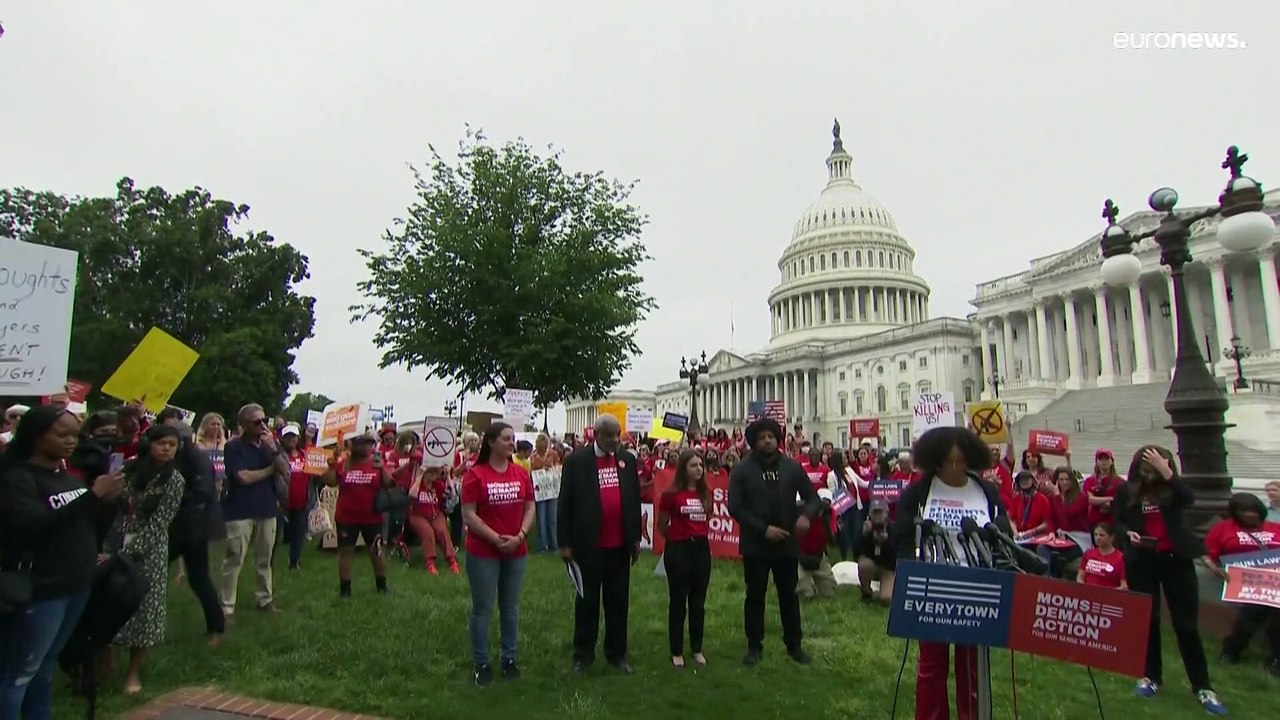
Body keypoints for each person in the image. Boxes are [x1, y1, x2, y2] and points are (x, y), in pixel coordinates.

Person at [0, 407, 123, 720]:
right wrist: (92, 497)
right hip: (41, 589)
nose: (71, 441)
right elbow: (35, 526)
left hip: (75, 585)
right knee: (19, 673)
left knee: (44, 668)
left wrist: (107, 503)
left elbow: (85, 523)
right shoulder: (17, 479)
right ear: (36, 435)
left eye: (75, 435)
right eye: (62, 434)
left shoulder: (67, 477)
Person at [892, 426, 1005, 720]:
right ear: (936, 461)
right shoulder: (918, 492)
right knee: (931, 665)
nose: (955, 468)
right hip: (932, 586)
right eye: (948, 462)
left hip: (977, 587)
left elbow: (1001, 534)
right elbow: (902, 536)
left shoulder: (986, 491)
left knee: (972, 667)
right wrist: (910, 573)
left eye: (961, 461)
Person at [1114, 446, 1226, 715]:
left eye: (1155, 468)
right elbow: (1117, 522)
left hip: (1176, 561)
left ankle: (1202, 685)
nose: (1150, 474)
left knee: (1186, 625)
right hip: (1143, 560)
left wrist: (1167, 473)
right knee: (1149, 621)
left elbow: (1189, 498)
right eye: (1146, 468)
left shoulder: (1173, 489)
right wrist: (1128, 534)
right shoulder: (1127, 490)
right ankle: (1152, 676)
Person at [727, 417, 821, 666]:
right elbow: (735, 507)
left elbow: (813, 499)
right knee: (755, 595)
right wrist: (763, 529)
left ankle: (794, 645)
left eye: (771, 436)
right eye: (762, 437)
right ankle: (754, 646)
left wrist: (806, 517)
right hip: (757, 544)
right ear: (754, 442)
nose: (767, 441)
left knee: (789, 596)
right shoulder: (742, 470)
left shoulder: (792, 467)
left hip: (787, 544)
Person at [558, 414, 642, 675]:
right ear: (596, 434)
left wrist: (635, 538)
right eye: (609, 435)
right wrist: (565, 543)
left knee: (618, 603)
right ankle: (583, 655)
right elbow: (565, 504)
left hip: (619, 546)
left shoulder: (626, 460)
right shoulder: (577, 461)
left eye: (618, 435)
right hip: (588, 546)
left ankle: (617, 654)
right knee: (587, 603)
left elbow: (633, 500)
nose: (615, 440)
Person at [109, 424, 186, 694]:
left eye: (172, 444)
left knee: (144, 610)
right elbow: (111, 503)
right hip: (114, 538)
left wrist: (130, 552)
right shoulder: (129, 469)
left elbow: (161, 521)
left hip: (149, 549)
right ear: (149, 444)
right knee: (106, 603)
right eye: (161, 443)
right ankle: (101, 666)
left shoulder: (175, 480)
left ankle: (133, 672)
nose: (166, 448)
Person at [460, 422, 535, 687]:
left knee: (510, 607)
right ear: (490, 442)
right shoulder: (475, 475)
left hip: (516, 550)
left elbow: (530, 507)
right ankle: (481, 663)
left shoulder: (521, 474)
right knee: (483, 608)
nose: (511, 443)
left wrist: (521, 536)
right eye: (506, 438)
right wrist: (494, 538)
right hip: (483, 551)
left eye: (513, 439)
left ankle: (509, 659)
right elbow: (468, 513)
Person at [154, 409, 223, 646]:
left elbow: (202, 492)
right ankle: (144, 626)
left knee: (199, 579)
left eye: (172, 442)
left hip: (192, 527)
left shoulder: (197, 459)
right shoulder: (171, 460)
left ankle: (216, 627)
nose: (168, 447)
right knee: (152, 574)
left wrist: (168, 495)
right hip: (173, 525)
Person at [220, 404, 290, 617]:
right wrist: (271, 469)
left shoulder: (270, 446)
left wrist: (274, 450)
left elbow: (285, 470)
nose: (262, 425)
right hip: (239, 510)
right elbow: (243, 477)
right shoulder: (234, 447)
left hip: (267, 508)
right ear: (243, 425)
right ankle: (226, 606)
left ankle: (264, 600)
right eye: (256, 422)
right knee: (234, 558)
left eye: (264, 420)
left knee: (265, 559)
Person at [1203, 492, 1280, 676]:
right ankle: (1232, 649)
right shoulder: (1223, 529)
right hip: (1242, 585)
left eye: (1252, 511)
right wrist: (1214, 568)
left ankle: (1276, 658)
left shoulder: (1275, 528)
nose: (1249, 515)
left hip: (1274, 582)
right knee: (1251, 615)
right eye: (1243, 511)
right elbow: (1207, 554)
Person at [656, 450, 711, 668]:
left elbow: (709, 517)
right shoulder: (671, 494)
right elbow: (662, 524)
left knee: (698, 601)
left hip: (701, 549)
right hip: (678, 549)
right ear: (683, 469)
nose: (698, 469)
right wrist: (678, 537)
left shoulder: (707, 493)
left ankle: (697, 649)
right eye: (693, 465)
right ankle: (676, 651)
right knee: (678, 600)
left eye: (700, 465)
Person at [323, 432, 394, 596]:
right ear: (352, 444)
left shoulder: (376, 462)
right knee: (346, 552)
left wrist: (382, 467)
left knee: (376, 551)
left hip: (372, 516)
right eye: (361, 443)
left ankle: (382, 586)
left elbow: (389, 483)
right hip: (347, 516)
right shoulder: (343, 463)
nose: (365, 447)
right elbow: (330, 481)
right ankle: (345, 590)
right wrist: (332, 465)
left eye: (369, 443)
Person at [408, 466, 460, 574]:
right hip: (418, 515)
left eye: (435, 473)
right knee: (428, 532)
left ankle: (452, 560)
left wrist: (448, 477)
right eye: (431, 473)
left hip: (435, 514)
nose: (434, 475)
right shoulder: (417, 484)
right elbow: (412, 495)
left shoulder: (438, 485)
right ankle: (430, 562)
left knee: (442, 531)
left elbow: (452, 494)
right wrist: (421, 475)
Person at [856, 499, 896, 604]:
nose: (877, 516)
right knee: (864, 564)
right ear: (870, 514)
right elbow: (857, 554)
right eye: (875, 513)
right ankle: (867, 592)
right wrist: (865, 536)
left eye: (880, 512)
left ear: (886, 513)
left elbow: (897, 556)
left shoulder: (893, 528)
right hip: (873, 565)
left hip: (888, 569)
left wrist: (886, 542)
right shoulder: (866, 527)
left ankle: (884, 590)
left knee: (886, 599)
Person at [1077, 523, 1126, 589]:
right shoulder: (1088, 553)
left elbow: (1124, 586)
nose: (1098, 538)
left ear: (1111, 537)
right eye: (1096, 535)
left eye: (1101, 535)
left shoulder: (1120, 558)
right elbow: (1080, 578)